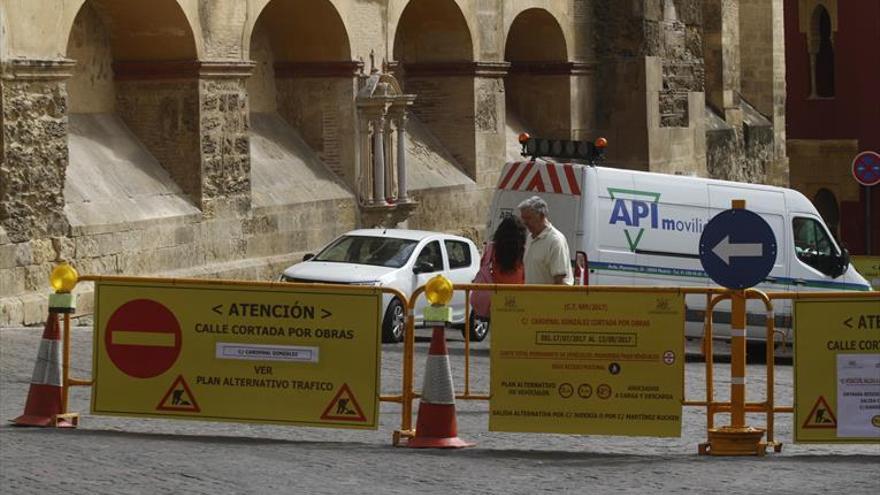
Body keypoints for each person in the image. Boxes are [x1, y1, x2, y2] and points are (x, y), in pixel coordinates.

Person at [471, 215, 527, 317]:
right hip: (519, 299)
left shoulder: (492, 248)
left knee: (498, 330)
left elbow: (483, 265)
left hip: (497, 298)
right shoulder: (524, 251)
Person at [518, 195, 574, 285]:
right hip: (532, 297)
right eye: (523, 218)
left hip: (550, 297)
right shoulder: (530, 238)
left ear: (541, 216)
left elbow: (559, 280)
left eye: (528, 218)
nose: (525, 222)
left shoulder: (555, 240)